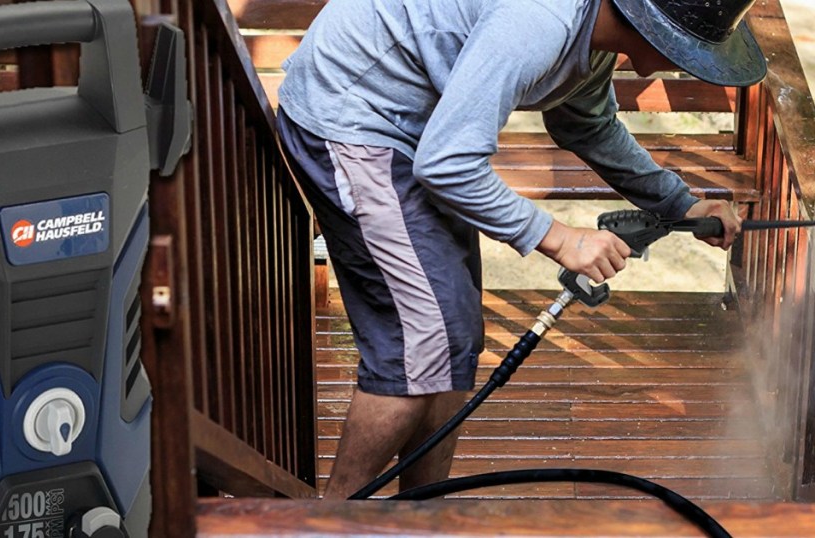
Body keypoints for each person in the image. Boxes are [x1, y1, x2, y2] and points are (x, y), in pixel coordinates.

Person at [276, 0, 764, 499]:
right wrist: (562, 239)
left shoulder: (592, 33)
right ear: (650, 25)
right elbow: (447, 165)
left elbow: (586, 125)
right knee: (422, 342)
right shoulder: (541, 20)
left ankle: (421, 513)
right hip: (351, 117)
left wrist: (683, 205)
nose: (687, 63)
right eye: (689, 47)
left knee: (453, 337)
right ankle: (331, 522)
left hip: (418, 132)